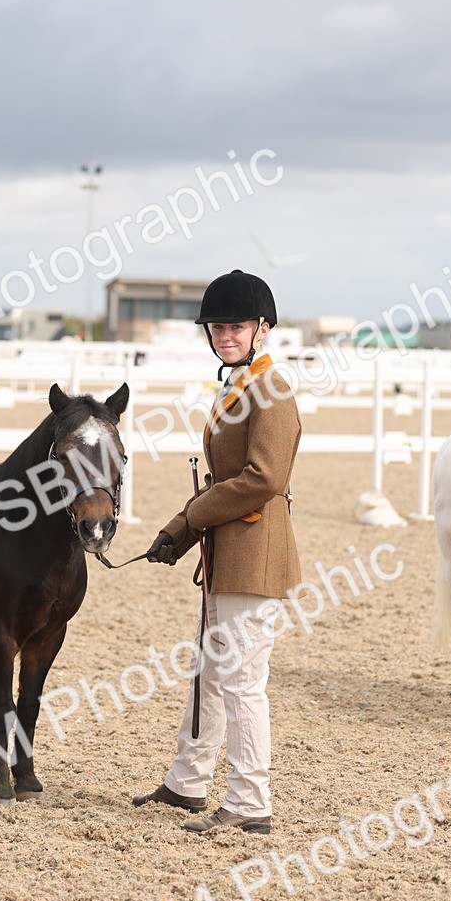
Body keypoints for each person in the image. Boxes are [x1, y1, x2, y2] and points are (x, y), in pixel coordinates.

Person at [133, 270, 301, 834]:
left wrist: (187, 519)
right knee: (209, 671)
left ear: (262, 329)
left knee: (242, 680)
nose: (225, 334)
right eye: (218, 326)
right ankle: (188, 783)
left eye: (236, 325)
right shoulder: (238, 384)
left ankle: (251, 803)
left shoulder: (271, 389)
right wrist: (184, 534)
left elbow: (264, 477)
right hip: (227, 549)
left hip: (254, 552)